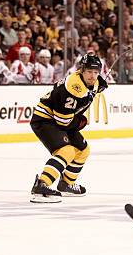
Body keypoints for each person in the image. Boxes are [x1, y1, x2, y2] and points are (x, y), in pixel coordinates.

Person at [29, 53, 108, 203]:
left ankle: (66, 184)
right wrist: (80, 123)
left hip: (61, 119)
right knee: (67, 150)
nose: (93, 76)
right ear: (81, 70)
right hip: (45, 119)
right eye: (89, 72)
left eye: (96, 72)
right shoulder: (72, 87)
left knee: (83, 150)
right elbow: (63, 121)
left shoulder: (93, 82)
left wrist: (96, 88)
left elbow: (91, 88)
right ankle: (41, 184)